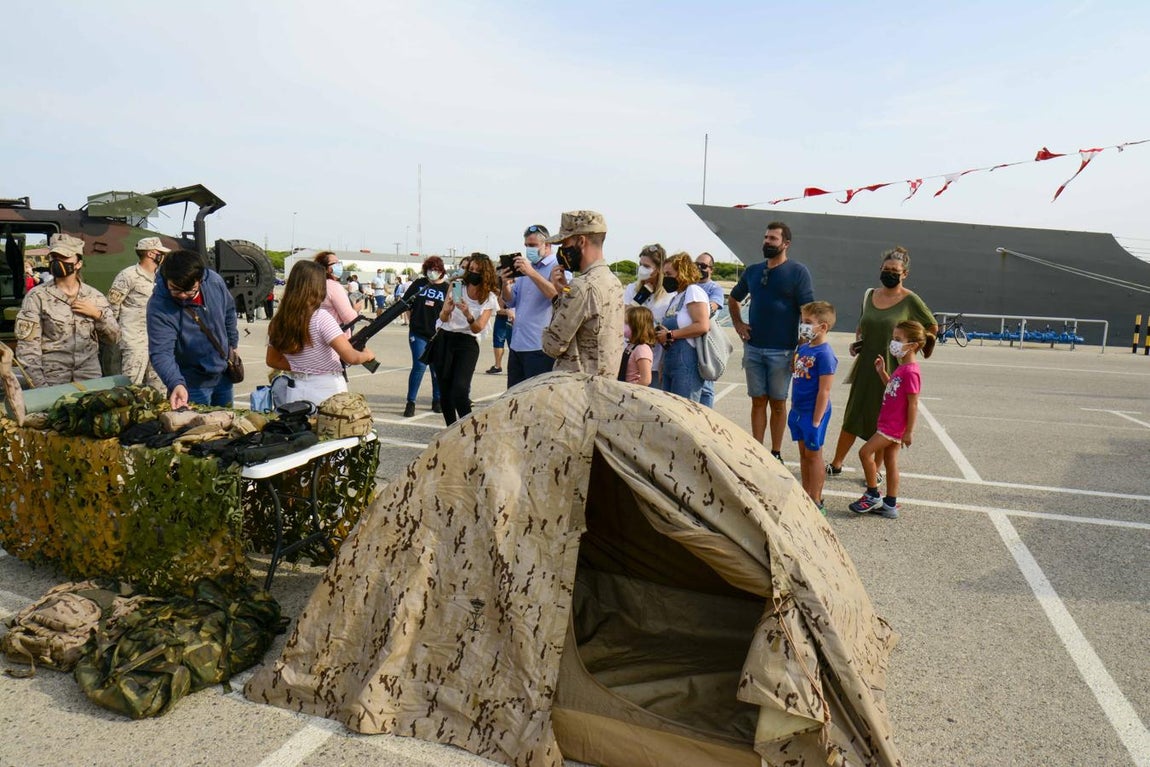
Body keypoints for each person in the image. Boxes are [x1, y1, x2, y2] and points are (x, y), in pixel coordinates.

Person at [826, 247, 937, 476]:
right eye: (886, 269)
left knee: (882, 417)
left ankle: (875, 470)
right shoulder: (869, 295)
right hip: (867, 365)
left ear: (904, 273)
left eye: (895, 271)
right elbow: (863, 325)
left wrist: (913, 347)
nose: (889, 273)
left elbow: (931, 326)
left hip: (892, 368)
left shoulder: (910, 300)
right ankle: (837, 462)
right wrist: (858, 343)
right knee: (854, 412)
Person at [728, 221, 814, 462]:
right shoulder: (753, 271)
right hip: (754, 348)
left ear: (786, 244)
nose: (767, 242)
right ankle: (757, 451)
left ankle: (775, 453)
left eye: (773, 238)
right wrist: (738, 324)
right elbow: (733, 299)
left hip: (783, 351)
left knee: (778, 403)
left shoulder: (798, 272)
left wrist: (801, 348)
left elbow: (808, 312)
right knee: (757, 401)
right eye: (766, 237)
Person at [15, 233, 120, 387]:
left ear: (78, 264)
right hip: (52, 378)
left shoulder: (94, 297)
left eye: (64, 257)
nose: (57, 262)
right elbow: (28, 348)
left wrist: (98, 315)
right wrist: (40, 387)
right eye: (54, 257)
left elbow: (114, 338)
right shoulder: (37, 297)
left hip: (89, 378)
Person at [265, 261, 375, 405]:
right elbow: (351, 357)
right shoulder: (320, 317)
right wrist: (367, 355)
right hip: (327, 390)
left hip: (296, 390)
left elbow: (272, 360)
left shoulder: (279, 320)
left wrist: (302, 368)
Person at [848, 320, 927, 519]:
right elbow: (892, 387)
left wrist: (909, 431)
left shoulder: (911, 372)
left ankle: (872, 494)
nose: (894, 343)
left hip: (893, 426)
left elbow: (913, 403)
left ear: (913, 345)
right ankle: (890, 504)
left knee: (865, 453)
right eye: (894, 338)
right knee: (891, 462)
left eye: (898, 339)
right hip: (888, 423)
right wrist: (882, 372)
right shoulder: (902, 367)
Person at [147, 249, 239, 409]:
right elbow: (161, 352)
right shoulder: (159, 305)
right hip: (190, 384)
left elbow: (229, 312)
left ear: (200, 280)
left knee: (228, 422)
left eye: (190, 290)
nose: (183, 295)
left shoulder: (214, 282)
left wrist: (233, 344)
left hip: (223, 377)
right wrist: (176, 383)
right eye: (175, 289)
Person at [542, 210, 624, 376]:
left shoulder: (581, 286)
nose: (562, 251)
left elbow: (552, 346)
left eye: (565, 244)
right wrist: (563, 294)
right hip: (605, 382)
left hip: (577, 385)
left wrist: (560, 302)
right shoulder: (613, 282)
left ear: (581, 241)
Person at [431, 253, 500, 425]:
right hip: (445, 338)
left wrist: (468, 313)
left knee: (460, 389)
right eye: (471, 269)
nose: (473, 273)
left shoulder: (489, 297)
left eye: (478, 270)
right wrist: (446, 311)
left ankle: (467, 429)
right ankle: (451, 429)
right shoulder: (457, 286)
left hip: (467, 342)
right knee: (445, 390)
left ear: (486, 274)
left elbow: (478, 328)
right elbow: (443, 318)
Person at [500, 224, 567, 387]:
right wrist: (505, 284)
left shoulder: (558, 267)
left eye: (533, 245)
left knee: (536, 398)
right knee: (514, 396)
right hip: (517, 344)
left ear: (547, 245)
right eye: (526, 245)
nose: (529, 249)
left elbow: (557, 296)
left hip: (540, 347)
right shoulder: (525, 269)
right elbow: (510, 301)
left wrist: (531, 273)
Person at [788, 301, 838, 513]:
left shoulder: (825, 354)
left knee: (814, 455)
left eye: (808, 322)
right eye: (803, 321)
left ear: (823, 327)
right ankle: (805, 493)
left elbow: (824, 390)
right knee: (804, 454)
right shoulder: (804, 348)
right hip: (799, 410)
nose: (803, 325)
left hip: (813, 412)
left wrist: (817, 420)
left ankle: (816, 499)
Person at [107, 236, 169, 390]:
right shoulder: (128, 275)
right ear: (150, 254)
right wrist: (116, 335)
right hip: (134, 340)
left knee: (159, 384)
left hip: (157, 339)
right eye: (160, 253)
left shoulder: (162, 277)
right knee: (131, 384)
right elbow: (113, 306)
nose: (163, 256)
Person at [654, 252, 710, 401]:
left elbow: (702, 326)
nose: (666, 278)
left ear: (682, 273)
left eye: (669, 274)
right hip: (671, 361)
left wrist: (670, 334)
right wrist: (662, 364)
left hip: (686, 362)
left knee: (685, 408)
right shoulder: (675, 298)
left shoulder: (693, 292)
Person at [401, 256, 448, 417]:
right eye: (429, 269)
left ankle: (437, 400)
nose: (432, 272)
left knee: (437, 368)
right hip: (418, 332)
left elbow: (457, 307)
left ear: (441, 271)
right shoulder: (419, 284)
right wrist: (412, 321)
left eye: (435, 269)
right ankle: (411, 402)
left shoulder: (449, 287)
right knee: (419, 365)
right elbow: (406, 303)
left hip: (438, 334)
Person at [623, 244, 672, 386]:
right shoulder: (632, 288)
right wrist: (640, 297)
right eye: (640, 264)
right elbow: (624, 317)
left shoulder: (669, 295)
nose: (641, 269)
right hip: (629, 360)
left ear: (658, 269)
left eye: (646, 266)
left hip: (654, 361)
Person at [695, 252, 726, 407]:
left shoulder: (715, 288)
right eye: (696, 265)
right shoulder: (689, 285)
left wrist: (697, 312)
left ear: (711, 269)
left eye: (703, 266)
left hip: (705, 341)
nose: (699, 268)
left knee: (706, 386)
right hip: (689, 339)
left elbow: (713, 307)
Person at [314, 251, 357, 333]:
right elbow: (349, 318)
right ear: (325, 268)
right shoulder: (333, 286)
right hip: (335, 333)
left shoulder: (317, 284)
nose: (339, 265)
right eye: (335, 263)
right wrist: (355, 309)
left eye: (339, 262)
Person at [620, 305, 656, 386]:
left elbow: (646, 380)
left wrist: (631, 390)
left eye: (627, 323)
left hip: (631, 391)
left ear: (637, 326)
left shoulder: (642, 349)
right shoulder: (631, 346)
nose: (624, 326)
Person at [485, 294, 513, 375]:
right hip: (506, 317)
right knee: (500, 341)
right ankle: (498, 366)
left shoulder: (505, 290)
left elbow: (498, 309)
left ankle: (498, 366)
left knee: (506, 342)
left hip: (508, 317)